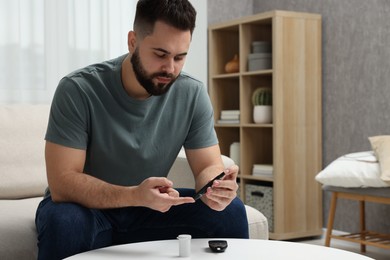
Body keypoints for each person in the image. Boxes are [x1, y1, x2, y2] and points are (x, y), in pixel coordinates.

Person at [35, 0, 249, 259]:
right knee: (64, 222)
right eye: (160, 54)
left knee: (232, 211)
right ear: (133, 41)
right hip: (85, 209)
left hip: (149, 208)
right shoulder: (78, 89)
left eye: (180, 57)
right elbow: (62, 183)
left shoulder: (191, 94)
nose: (170, 69)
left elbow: (207, 167)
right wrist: (133, 195)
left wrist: (216, 187)